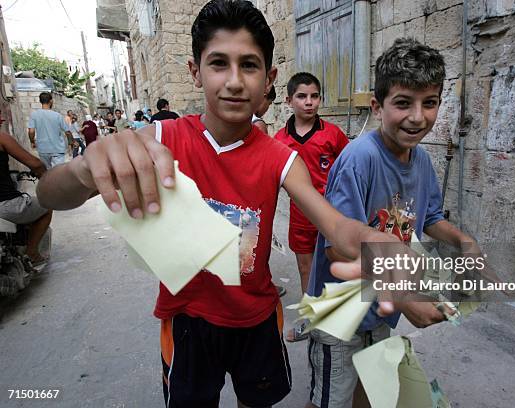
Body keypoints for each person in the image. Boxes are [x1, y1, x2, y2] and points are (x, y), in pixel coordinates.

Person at [35, 2, 412, 406]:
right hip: (187, 321)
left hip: (257, 320)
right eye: (218, 63)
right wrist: (82, 171)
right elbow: (46, 195)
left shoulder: (281, 159)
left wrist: (382, 247)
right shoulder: (162, 138)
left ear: (268, 79)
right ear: (195, 71)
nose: (234, 81)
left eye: (248, 65)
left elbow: (335, 226)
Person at [306, 38, 475, 408]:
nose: (417, 117)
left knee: (374, 384)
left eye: (429, 103)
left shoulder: (422, 162)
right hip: (341, 308)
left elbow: (428, 217)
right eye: (403, 103)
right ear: (377, 106)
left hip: (380, 304)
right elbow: (337, 246)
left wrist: (462, 241)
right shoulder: (358, 160)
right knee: (331, 396)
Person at [274, 72, 349, 342]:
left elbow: (349, 169)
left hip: (332, 216)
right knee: (306, 269)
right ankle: (310, 319)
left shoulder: (333, 135)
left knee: (335, 266)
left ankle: (336, 316)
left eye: (314, 96)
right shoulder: (279, 141)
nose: (309, 102)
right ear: (289, 100)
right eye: (302, 96)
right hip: (300, 217)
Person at [0, 131, 52, 265]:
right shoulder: (2, 137)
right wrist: (45, 178)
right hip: (5, 205)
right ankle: (32, 252)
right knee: (47, 204)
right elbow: (35, 164)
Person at [27, 92, 73, 169]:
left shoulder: (34, 115)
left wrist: (32, 141)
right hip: (58, 149)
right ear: (51, 101)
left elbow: (31, 131)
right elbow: (67, 132)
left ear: (40, 101)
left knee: (47, 172)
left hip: (43, 149)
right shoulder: (57, 115)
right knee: (58, 172)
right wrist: (72, 142)